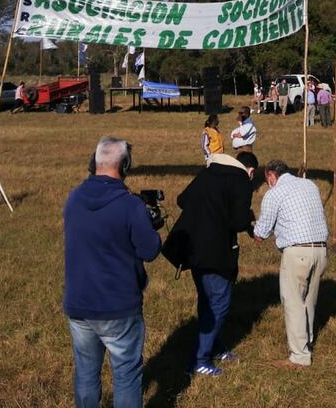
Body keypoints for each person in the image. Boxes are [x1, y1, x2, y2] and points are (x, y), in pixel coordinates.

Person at [63, 137, 162, 408]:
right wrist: (150, 223)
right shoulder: (130, 206)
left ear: (93, 163)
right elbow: (150, 250)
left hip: (79, 304)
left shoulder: (74, 199)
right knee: (127, 376)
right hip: (118, 307)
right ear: (125, 165)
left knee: (85, 372)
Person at [174, 151, 258, 377]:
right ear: (250, 171)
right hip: (217, 251)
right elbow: (239, 222)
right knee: (220, 301)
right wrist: (248, 216)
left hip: (193, 249)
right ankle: (200, 358)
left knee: (206, 299)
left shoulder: (209, 172)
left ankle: (215, 346)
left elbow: (182, 200)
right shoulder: (242, 181)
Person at [253, 159, 329, 368]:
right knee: (309, 301)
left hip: (297, 252)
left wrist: (253, 230)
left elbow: (262, 232)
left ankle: (299, 356)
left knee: (294, 302)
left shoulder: (274, 193)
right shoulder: (310, 184)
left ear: (271, 176)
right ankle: (307, 342)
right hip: (321, 250)